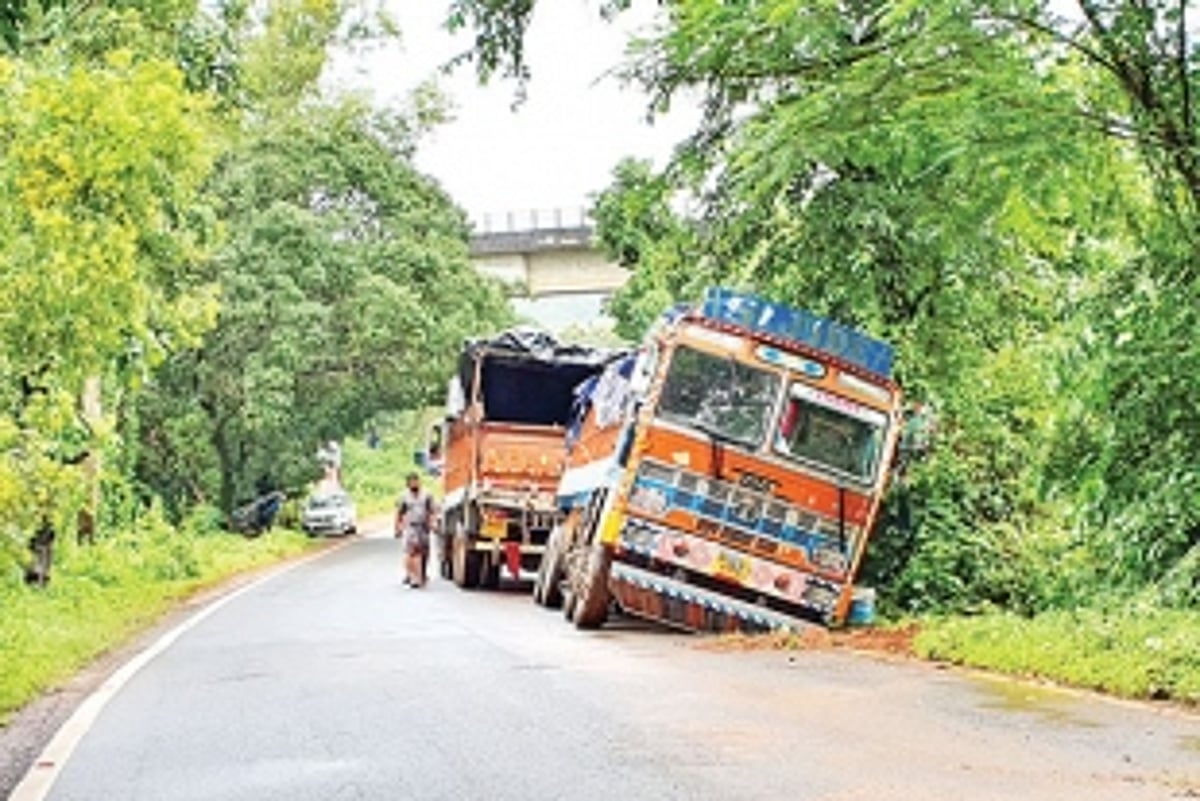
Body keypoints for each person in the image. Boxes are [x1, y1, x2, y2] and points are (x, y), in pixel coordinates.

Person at [395, 472, 436, 587]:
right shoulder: (403, 496)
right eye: (411, 482)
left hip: (423, 527)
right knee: (411, 552)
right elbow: (399, 513)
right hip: (410, 527)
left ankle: (422, 573)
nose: (414, 484)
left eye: (416, 481)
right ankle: (413, 577)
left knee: (424, 551)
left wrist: (432, 523)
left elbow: (432, 511)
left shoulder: (427, 494)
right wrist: (397, 528)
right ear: (407, 484)